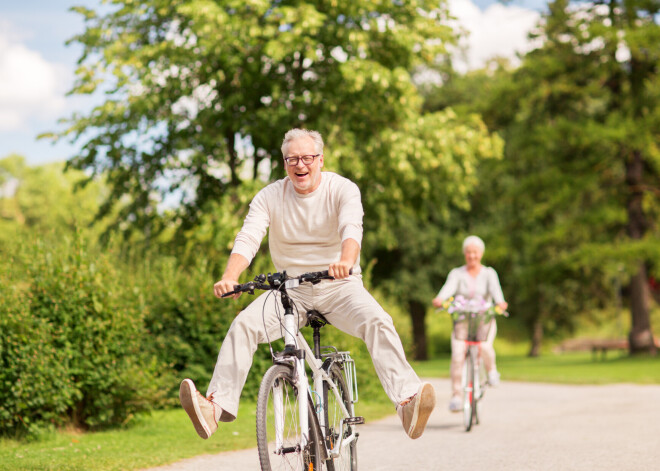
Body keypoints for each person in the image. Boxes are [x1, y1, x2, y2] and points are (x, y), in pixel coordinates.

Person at [179, 128, 436, 440]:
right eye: (292, 159)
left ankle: (407, 403)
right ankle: (213, 409)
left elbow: (351, 228)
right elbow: (249, 237)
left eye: (307, 158)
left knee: (378, 320)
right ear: (285, 163)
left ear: (320, 160)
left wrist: (346, 260)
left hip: (339, 286)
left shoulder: (342, 189)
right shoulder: (270, 196)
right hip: (289, 291)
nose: (300, 165)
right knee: (243, 325)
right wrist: (230, 276)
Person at [431, 235, 507, 413]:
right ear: (464, 254)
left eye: (475, 252)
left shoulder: (489, 273)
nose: (472, 256)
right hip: (463, 321)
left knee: (485, 347)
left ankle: (492, 371)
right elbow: (447, 289)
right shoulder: (457, 274)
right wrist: (440, 299)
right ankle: (456, 396)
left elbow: (497, 294)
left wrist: (501, 303)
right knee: (458, 355)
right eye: (468, 253)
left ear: (481, 254)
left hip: (484, 320)